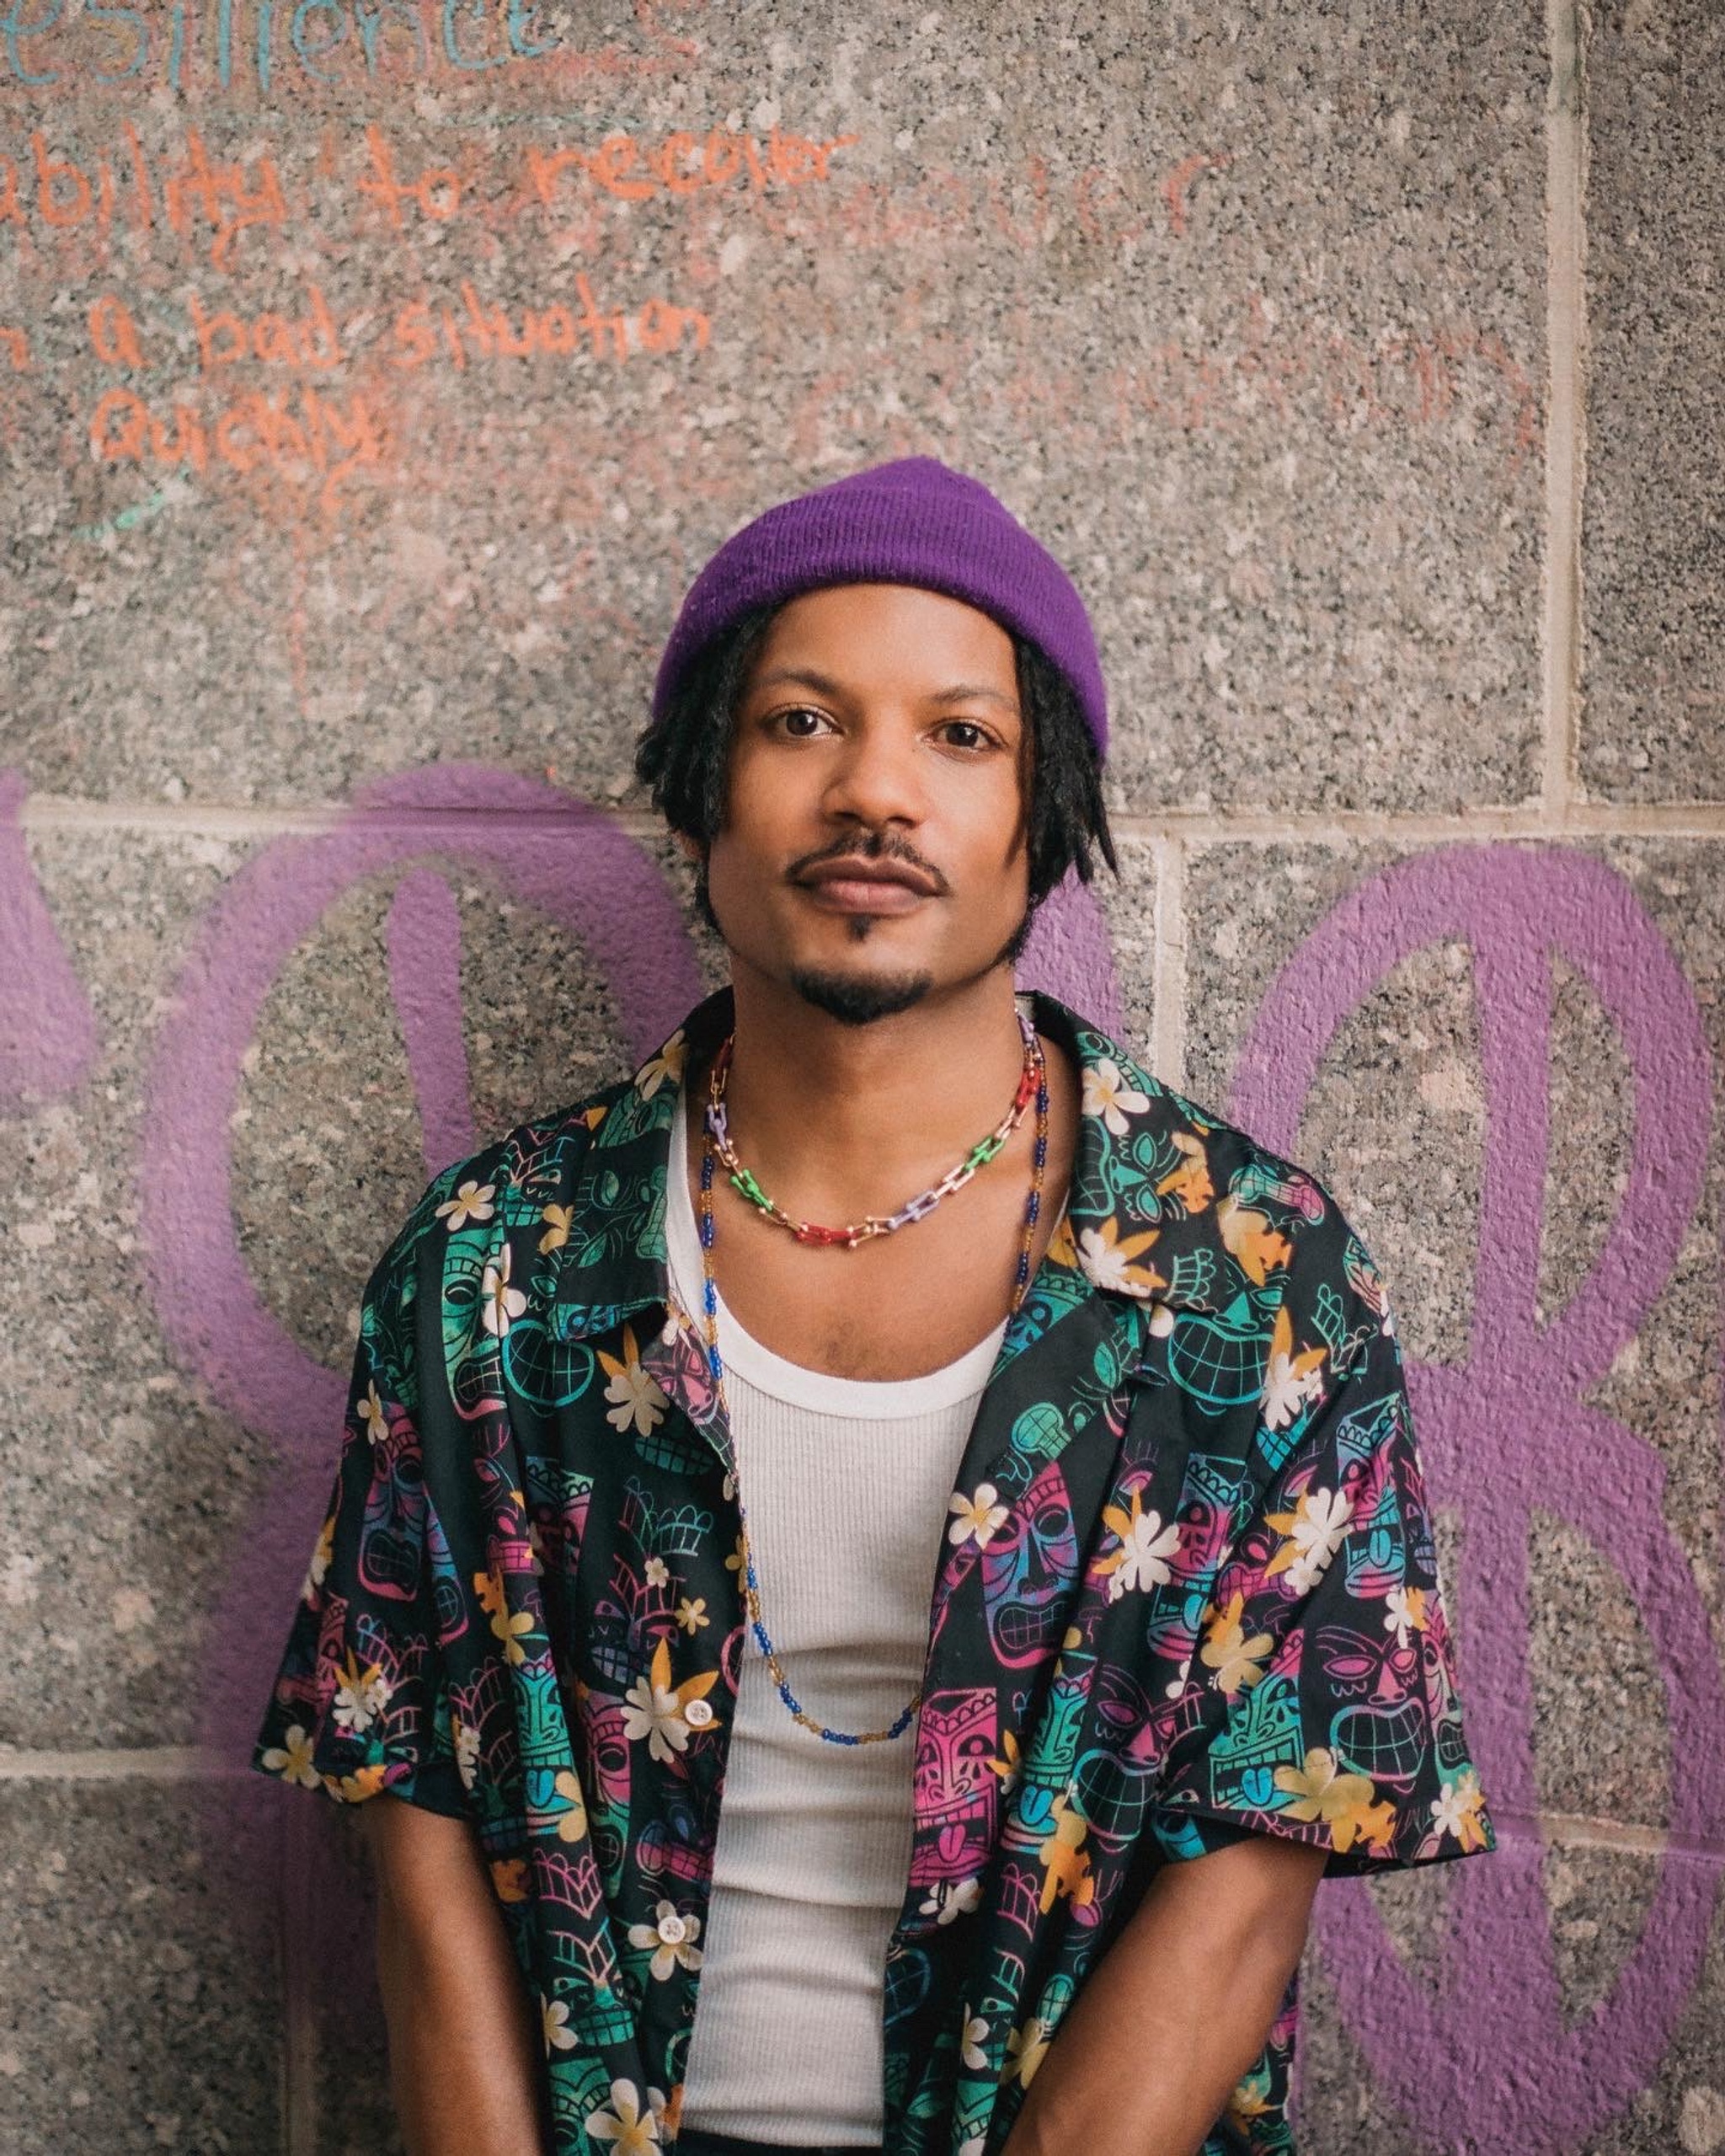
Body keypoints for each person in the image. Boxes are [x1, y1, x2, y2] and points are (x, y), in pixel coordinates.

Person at [252, 456, 1496, 2156]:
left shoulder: (1250, 1282)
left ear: (1040, 811)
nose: (875, 795)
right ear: (704, 789)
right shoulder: (493, 1270)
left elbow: (1248, 1880)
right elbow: (424, 1843)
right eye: (800, 724)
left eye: (960, 735)